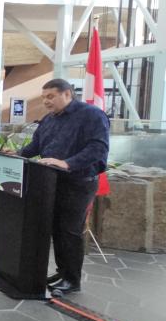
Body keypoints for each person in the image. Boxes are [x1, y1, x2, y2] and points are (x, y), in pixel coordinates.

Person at [14, 78, 109, 296]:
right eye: (44, 97)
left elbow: (98, 148)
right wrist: (16, 155)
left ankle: (72, 280)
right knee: (56, 229)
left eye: (51, 96)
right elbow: (37, 146)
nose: (46, 101)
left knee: (69, 230)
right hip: (49, 182)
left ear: (67, 94)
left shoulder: (91, 115)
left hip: (78, 182)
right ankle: (62, 271)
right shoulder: (48, 120)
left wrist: (67, 163)